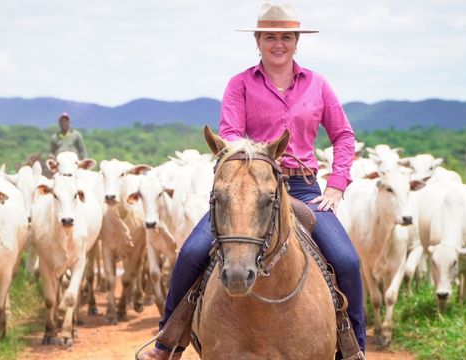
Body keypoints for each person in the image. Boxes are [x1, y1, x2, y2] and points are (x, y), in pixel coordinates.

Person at [139, 3, 365, 359]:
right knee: (192, 253)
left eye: (286, 37)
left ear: (296, 42)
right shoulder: (240, 84)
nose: (279, 44)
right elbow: (230, 135)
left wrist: (337, 184)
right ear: (258, 41)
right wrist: (256, 164)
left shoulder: (318, 85)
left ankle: (354, 350)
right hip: (248, 186)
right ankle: (168, 342)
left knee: (347, 260)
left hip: (303, 188)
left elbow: (344, 136)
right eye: (271, 37)